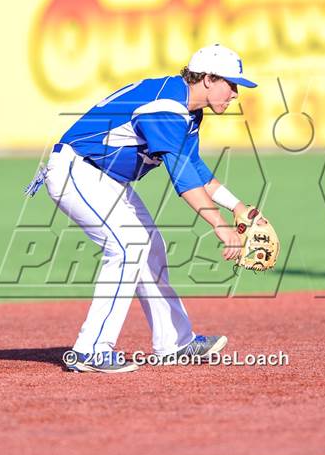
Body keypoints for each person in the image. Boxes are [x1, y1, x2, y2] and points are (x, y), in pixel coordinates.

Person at [33, 44, 258, 373]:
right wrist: (221, 227)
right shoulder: (166, 107)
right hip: (76, 170)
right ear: (208, 79)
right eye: (231, 83)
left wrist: (238, 207)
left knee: (150, 249)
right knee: (128, 248)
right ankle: (91, 351)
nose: (235, 92)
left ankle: (174, 343)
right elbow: (182, 179)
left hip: (103, 178)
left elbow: (193, 166)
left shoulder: (188, 109)